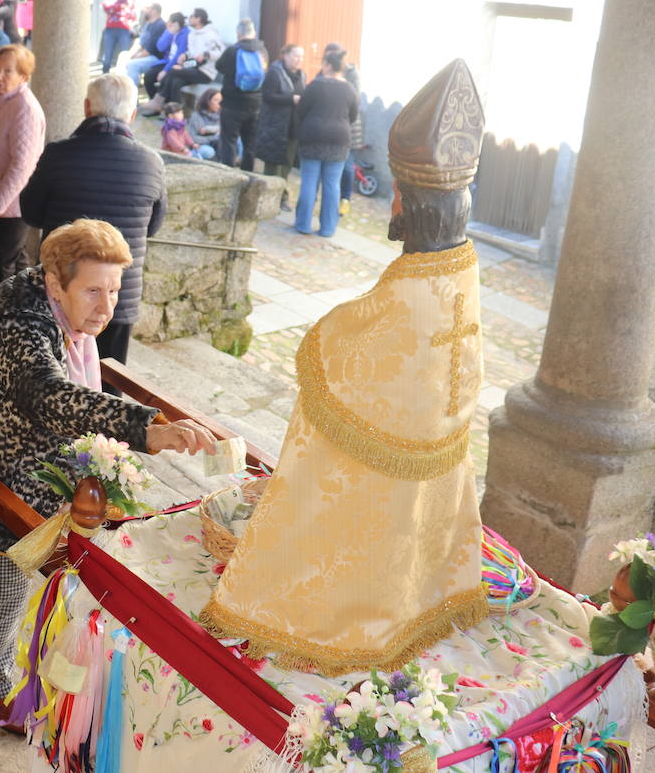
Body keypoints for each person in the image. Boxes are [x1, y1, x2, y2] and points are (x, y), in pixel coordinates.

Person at [202, 60, 488, 675]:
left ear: (406, 202)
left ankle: (347, 607)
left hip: (354, 551)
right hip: (432, 526)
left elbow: (332, 350)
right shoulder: (462, 277)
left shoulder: (405, 301)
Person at [0, 219, 216, 731]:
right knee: (9, 561)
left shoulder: (50, 301)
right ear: (56, 283)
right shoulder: (19, 324)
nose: (107, 306)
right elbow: (48, 395)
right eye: (93, 290)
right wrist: (149, 430)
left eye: (115, 290)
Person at [21, 73, 167, 371]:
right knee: (110, 385)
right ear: (133, 114)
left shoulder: (57, 154)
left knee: (54, 382)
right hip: (117, 298)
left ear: (87, 107)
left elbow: (31, 214)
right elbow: (152, 227)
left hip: (65, 293)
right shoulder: (151, 162)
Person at [0, 44, 45, 283]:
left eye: (8, 71)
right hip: (7, 202)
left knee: (1, 264)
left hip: (15, 204)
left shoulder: (24, 108)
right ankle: (23, 311)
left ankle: (3, 316)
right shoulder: (4, 102)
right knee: (16, 263)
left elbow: (22, 166)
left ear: (24, 76)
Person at [294, 47, 359, 237]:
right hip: (339, 139)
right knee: (332, 185)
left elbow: (301, 110)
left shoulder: (315, 85)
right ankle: (328, 228)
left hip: (313, 136)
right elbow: (353, 116)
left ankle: (303, 224)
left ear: (328, 65)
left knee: (309, 181)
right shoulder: (349, 89)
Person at [144, 7, 225, 112]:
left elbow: (220, 52)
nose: (189, 19)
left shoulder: (211, 34)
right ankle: (174, 112)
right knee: (176, 81)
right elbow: (191, 53)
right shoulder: (192, 34)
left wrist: (206, 54)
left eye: (192, 16)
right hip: (193, 65)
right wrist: (185, 56)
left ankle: (158, 100)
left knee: (173, 70)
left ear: (198, 19)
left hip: (206, 72)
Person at [256, 42, 306, 210]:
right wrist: (290, 99)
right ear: (285, 55)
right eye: (295, 56)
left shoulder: (302, 76)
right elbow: (267, 96)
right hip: (275, 125)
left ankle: (281, 197)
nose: (299, 60)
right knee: (272, 164)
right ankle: (267, 197)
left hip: (293, 126)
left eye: (301, 57)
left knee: (287, 164)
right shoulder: (274, 73)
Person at [215, 19, 268, 169]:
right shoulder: (262, 51)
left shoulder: (232, 50)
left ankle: (229, 176)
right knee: (250, 143)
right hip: (256, 104)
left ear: (238, 34)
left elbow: (219, 66)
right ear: (254, 33)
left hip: (232, 104)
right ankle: (248, 176)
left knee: (229, 142)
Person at [323, 41, 365, 215]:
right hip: (328, 126)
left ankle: (345, 199)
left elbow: (354, 100)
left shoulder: (352, 73)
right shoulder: (324, 71)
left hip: (349, 127)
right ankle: (330, 200)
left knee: (347, 166)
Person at [140, 12, 188, 102]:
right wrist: (169, 34)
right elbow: (160, 47)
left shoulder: (185, 34)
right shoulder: (169, 30)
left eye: (171, 23)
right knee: (148, 76)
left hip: (177, 64)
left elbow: (178, 56)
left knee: (165, 79)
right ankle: (154, 103)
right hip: (167, 61)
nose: (168, 25)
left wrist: (165, 70)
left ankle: (164, 106)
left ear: (177, 24)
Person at [98, 0, 136, 74]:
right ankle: (104, 80)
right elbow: (106, 7)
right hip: (110, 28)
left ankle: (125, 81)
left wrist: (116, 5)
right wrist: (120, 3)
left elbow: (131, 12)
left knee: (125, 57)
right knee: (107, 59)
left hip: (124, 29)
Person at [123, 3, 166, 87]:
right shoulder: (148, 24)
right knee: (123, 57)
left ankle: (132, 95)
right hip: (145, 55)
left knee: (132, 65)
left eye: (148, 8)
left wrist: (134, 57)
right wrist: (130, 54)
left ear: (154, 11)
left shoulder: (160, 25)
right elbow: (140, 43)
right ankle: (121, 91)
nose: (145, 10)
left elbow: (150, 50)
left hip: (156, 58)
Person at [188, 87, 223, 159]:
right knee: (208, 151)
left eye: (221, 100)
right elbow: (193, 138)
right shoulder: (197, 116)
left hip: (218, 144)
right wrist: (213, 138)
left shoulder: (221, 115)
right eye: (216, 100)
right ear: (207, 101)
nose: (219, 103)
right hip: (200, 145)